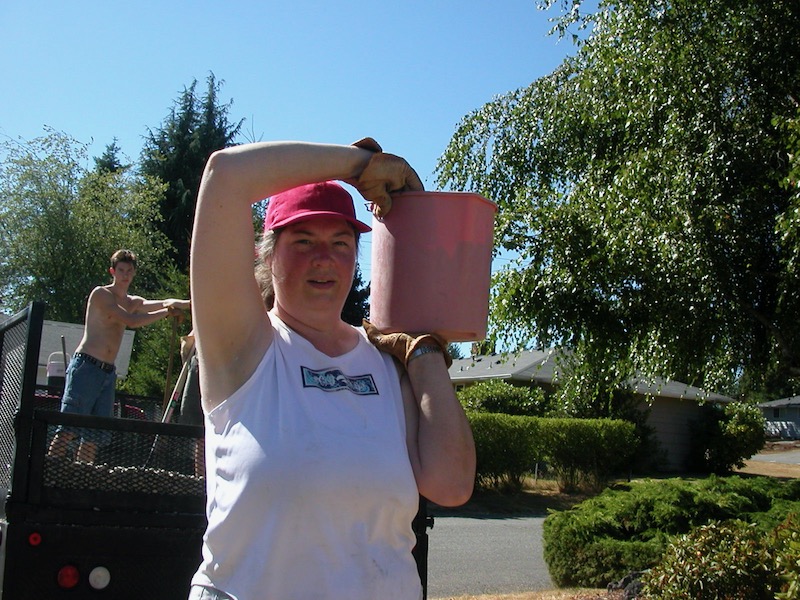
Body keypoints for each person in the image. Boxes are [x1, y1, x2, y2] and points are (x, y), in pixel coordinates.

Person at [188, 139, 476, 600]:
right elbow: (224, 174)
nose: (324, 258)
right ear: (267, 255)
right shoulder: (244, 346)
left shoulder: (384, 360)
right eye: (303, 240)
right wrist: (360, 166)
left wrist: (423, 354)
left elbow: (451, 483)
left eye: (341, 243)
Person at [49, 249, 190, 464]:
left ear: (133, 274)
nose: (125, 275)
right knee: (69, 425)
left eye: (129, 271)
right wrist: (167, 313)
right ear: (113, 271)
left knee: (95, 433)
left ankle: (80, 477)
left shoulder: (133, 301)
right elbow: (131, 321)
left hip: (107, 372)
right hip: (87, 366)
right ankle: (48, 472)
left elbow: (165, 301)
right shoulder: (101, 295)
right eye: (121, 270)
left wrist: (191, 303)